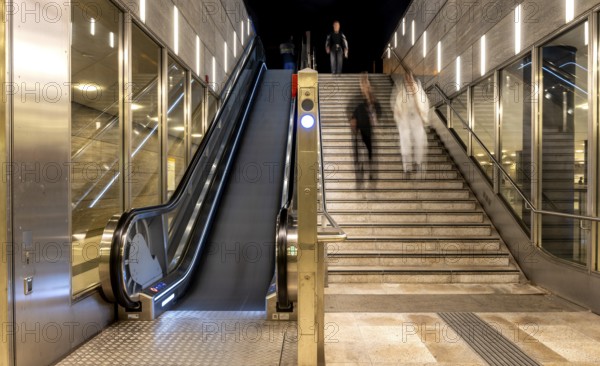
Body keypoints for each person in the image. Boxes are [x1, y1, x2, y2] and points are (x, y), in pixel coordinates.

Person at [392, 72, 429, 172]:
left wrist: (422, 114)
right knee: (405, 143)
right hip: (405, 122)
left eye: (410, 81)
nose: (409, 83)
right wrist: (398, 113)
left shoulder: (420, 94)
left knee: (419, 142)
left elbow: (424, 107)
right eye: (407, 81)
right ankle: (407, 166)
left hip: (417, 121)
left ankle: (418, 163)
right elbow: (397, 108)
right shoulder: (401, 95)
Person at [349, 73, 381, 181]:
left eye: (365, 83)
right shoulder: (357, 98)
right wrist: (353, 119)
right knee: (360, 149)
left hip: (369, 128)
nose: (363, 85)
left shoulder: (373, 98)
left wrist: (376, 117)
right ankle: (360, 170)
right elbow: (352, 109)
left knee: (369, 150)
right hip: (359, 127)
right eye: (362, 83)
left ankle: (371, 172)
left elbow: (378, 110)